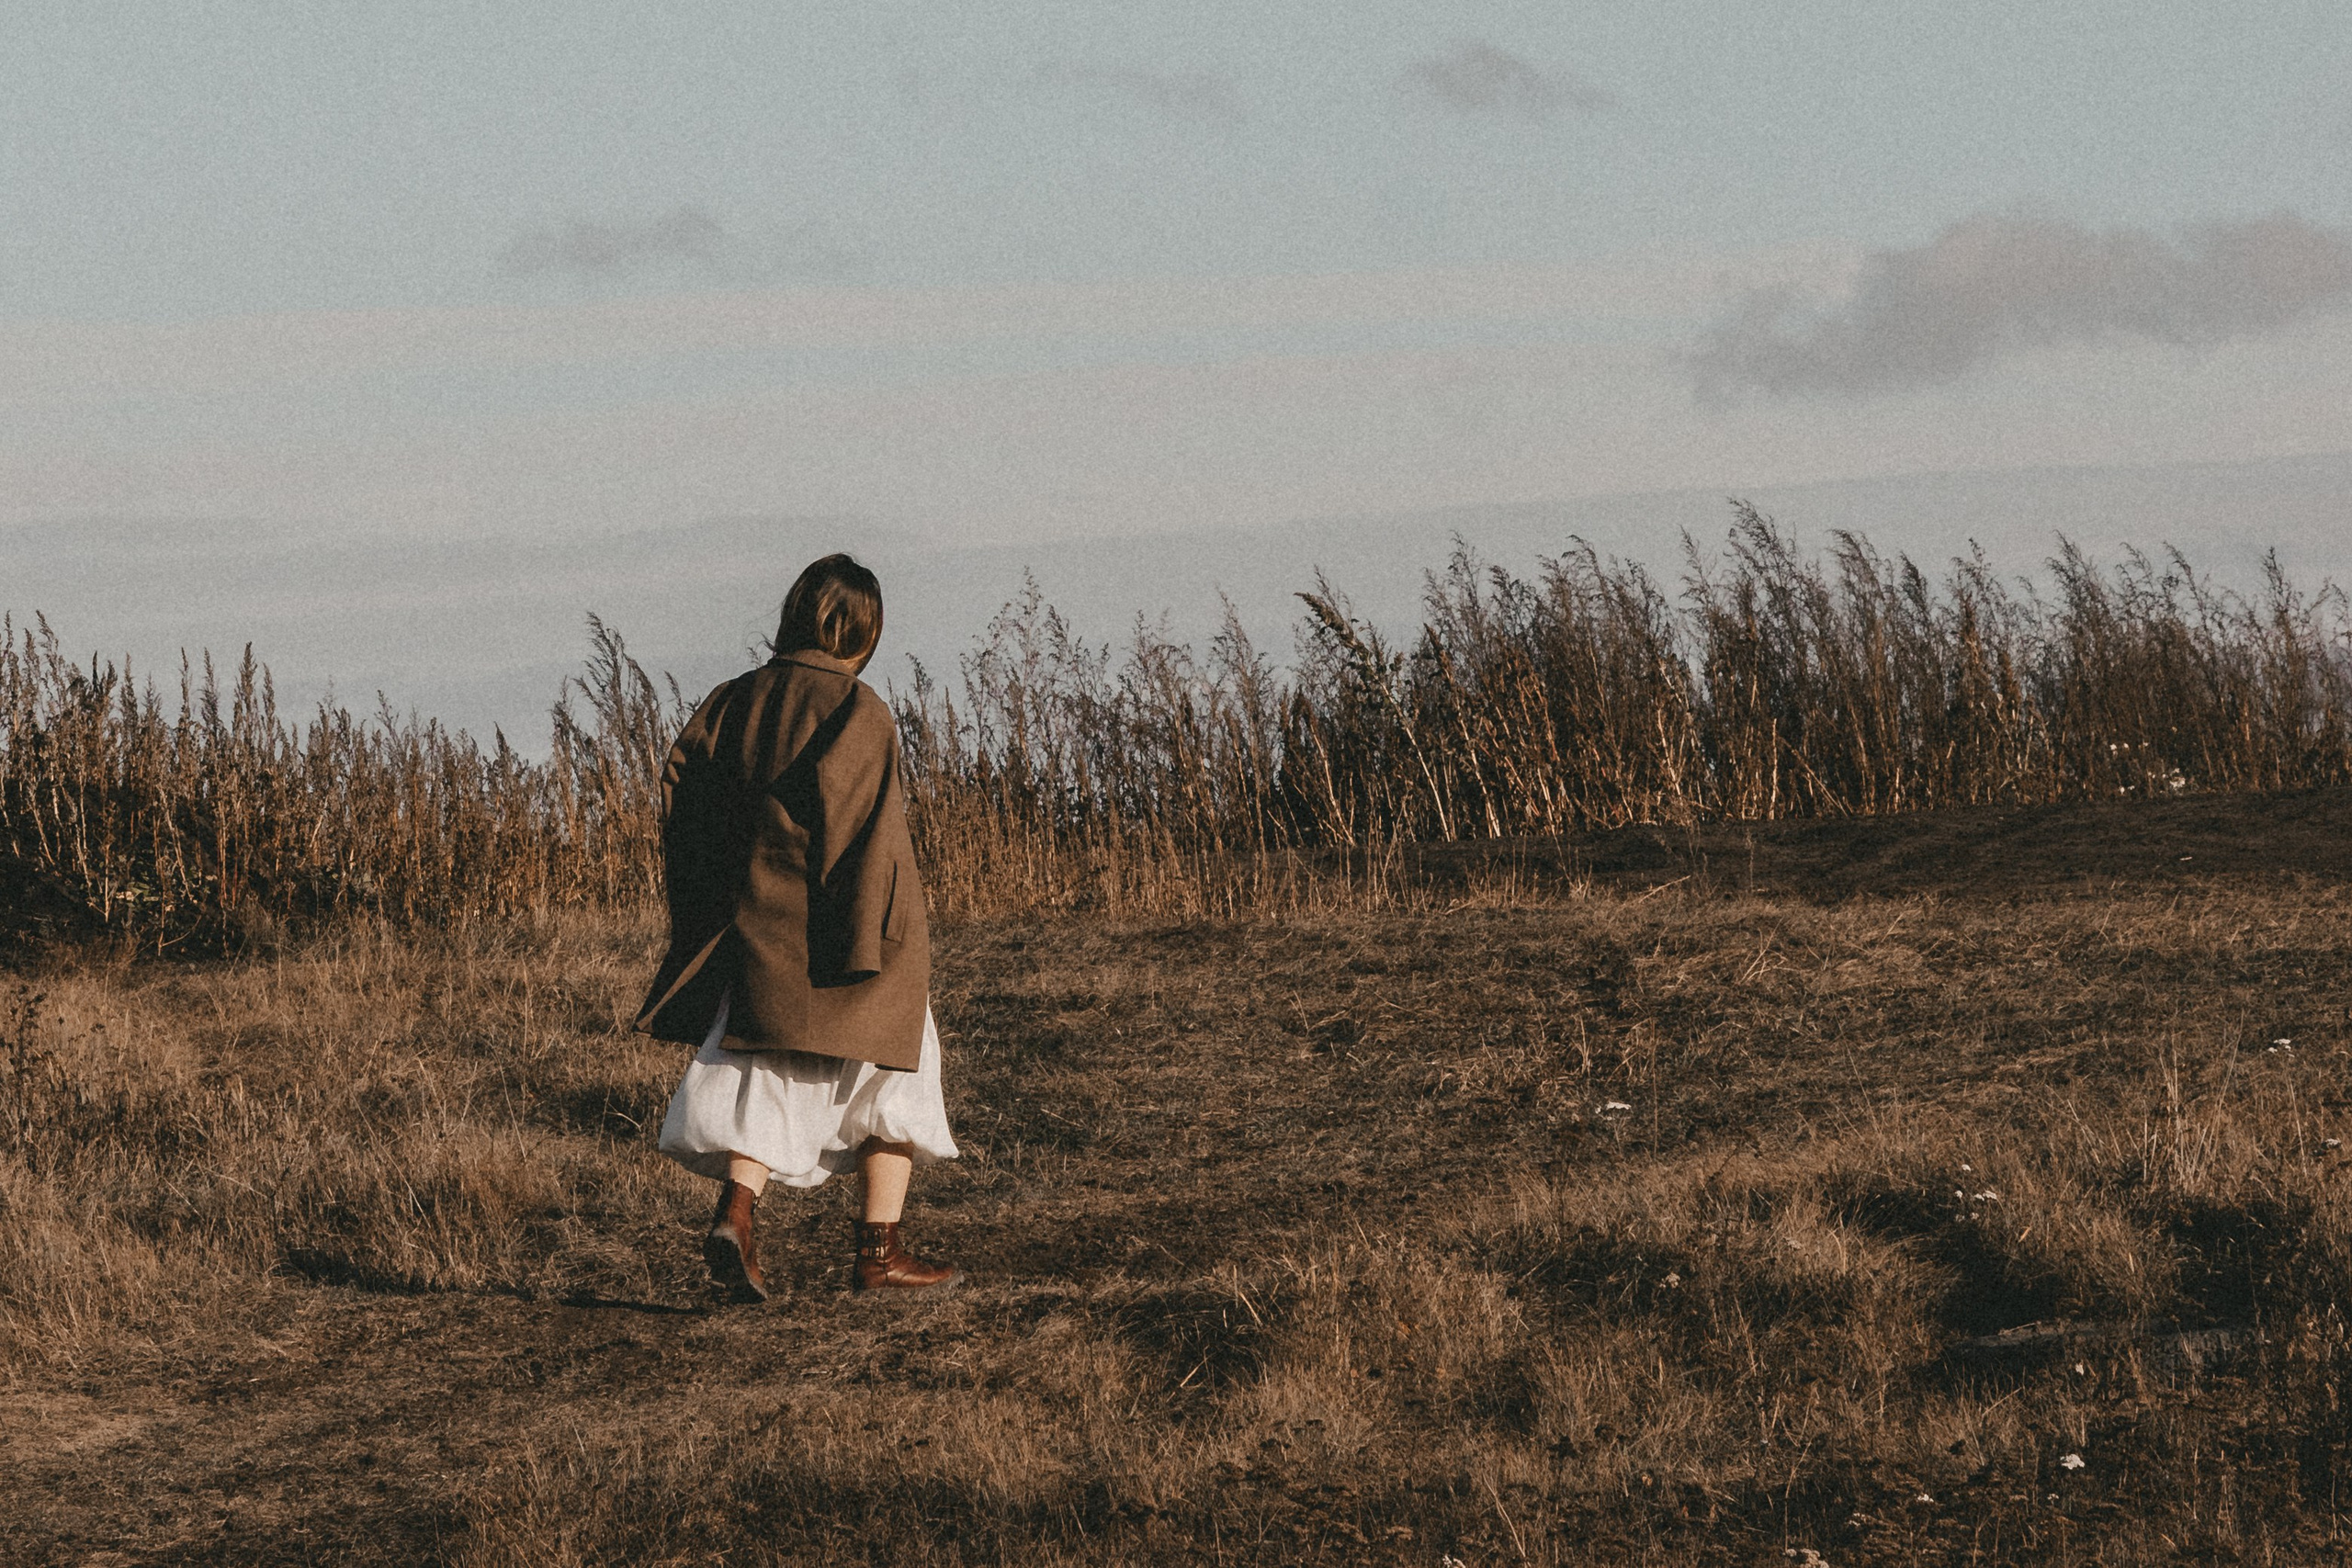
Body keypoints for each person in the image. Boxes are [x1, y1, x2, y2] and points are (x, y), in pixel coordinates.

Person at [635, 554, 960, 1302]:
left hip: (757, 929)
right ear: (864, 631)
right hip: (851, 937)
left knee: (766, 1070)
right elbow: (865, 832)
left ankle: (738, 1216)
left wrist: (715, 900)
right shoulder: (859, 709)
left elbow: (686, 795)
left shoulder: (732, 701)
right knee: (899, 1073)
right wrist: (873, 940)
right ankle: (880, 1254)